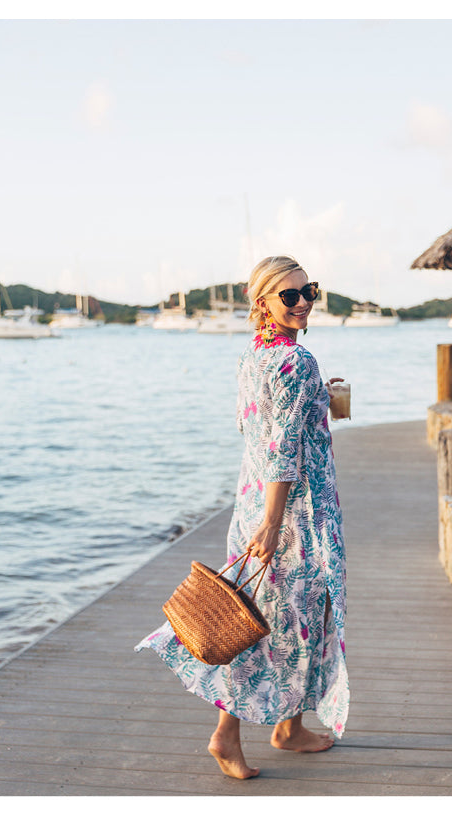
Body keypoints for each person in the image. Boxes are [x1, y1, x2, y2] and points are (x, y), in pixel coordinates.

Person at [137, 255, 349, 779]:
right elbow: (281, 450)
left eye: (309, 292)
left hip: (253, 503)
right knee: (270, 624)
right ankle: (226, 735)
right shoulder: (297, 363)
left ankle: (289, 726)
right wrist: (276, 524)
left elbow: (250, 428)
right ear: (262, 304)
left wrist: (320, 399)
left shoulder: (253, 357)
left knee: (290, 619)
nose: (303, 304)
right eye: (290, 296)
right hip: (291, 516)